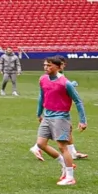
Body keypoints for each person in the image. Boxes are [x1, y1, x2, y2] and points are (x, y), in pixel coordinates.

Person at [30, 57, 87, 187]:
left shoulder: (65, 83)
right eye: (45, 65)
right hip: (47, 116)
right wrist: (39, 113)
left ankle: (70, 177)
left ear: (58, 67)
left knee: (62, 147)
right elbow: (42, 96)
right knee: (40, 144)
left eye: (49, 65)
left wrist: (83, 121)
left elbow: (78, 101)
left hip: (61, 118)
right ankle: (64, 163)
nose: (46, 68)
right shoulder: (42, 79)